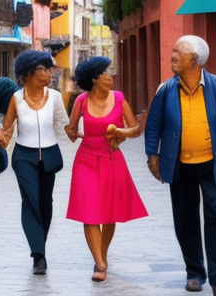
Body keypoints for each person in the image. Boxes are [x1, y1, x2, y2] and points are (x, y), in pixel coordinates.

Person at [144, 35, 216, 296]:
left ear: (195, 59)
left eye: (178, 52)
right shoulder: (166, 89)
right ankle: (194, 273)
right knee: (185, 219)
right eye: (173, 50)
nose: (172, 56)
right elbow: (153, 125)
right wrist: (152, 155)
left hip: (212, 163)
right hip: (179, 165)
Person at [64, 56, 148, 283]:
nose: (111, 77)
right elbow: (71, 130)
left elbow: (135, 129)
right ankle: (99, 263)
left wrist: (121, 133)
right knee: (89, 213)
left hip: (112, 159)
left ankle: (102, 254)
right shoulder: (81, 101)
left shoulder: (120, 99)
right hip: (86, 160)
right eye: (106, 74)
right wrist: (71, 132)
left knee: (109, 213)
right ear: (94, 79)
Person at [0, 50, 69, 275]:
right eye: (43, 69)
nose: (48, 73)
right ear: (27, 74)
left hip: (50, 155)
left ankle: (39, 246)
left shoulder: (55, 97)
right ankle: (38, 255)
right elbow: (6, 134)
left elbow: (65, 127)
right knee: (30, 200)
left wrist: (82, 129)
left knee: (46, 202)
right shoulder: (16, 99)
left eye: (48, 68)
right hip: (24, 156)